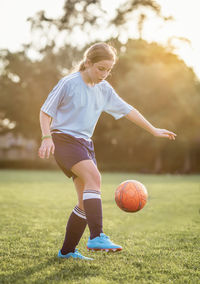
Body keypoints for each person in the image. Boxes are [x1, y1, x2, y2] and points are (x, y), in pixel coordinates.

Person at [38, 42, 176, 260]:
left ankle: (67, 251)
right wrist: (46, 138)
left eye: (109, 70)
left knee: (84, 203)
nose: (104, 74)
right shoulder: (69, 83)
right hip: (64, 140)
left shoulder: (104, 89)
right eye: (101, 68)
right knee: (95, 178)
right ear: (88, 63)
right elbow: (45, 112)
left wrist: (153, 130)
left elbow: (128, 110)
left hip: (85, 144)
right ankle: (97, 235)